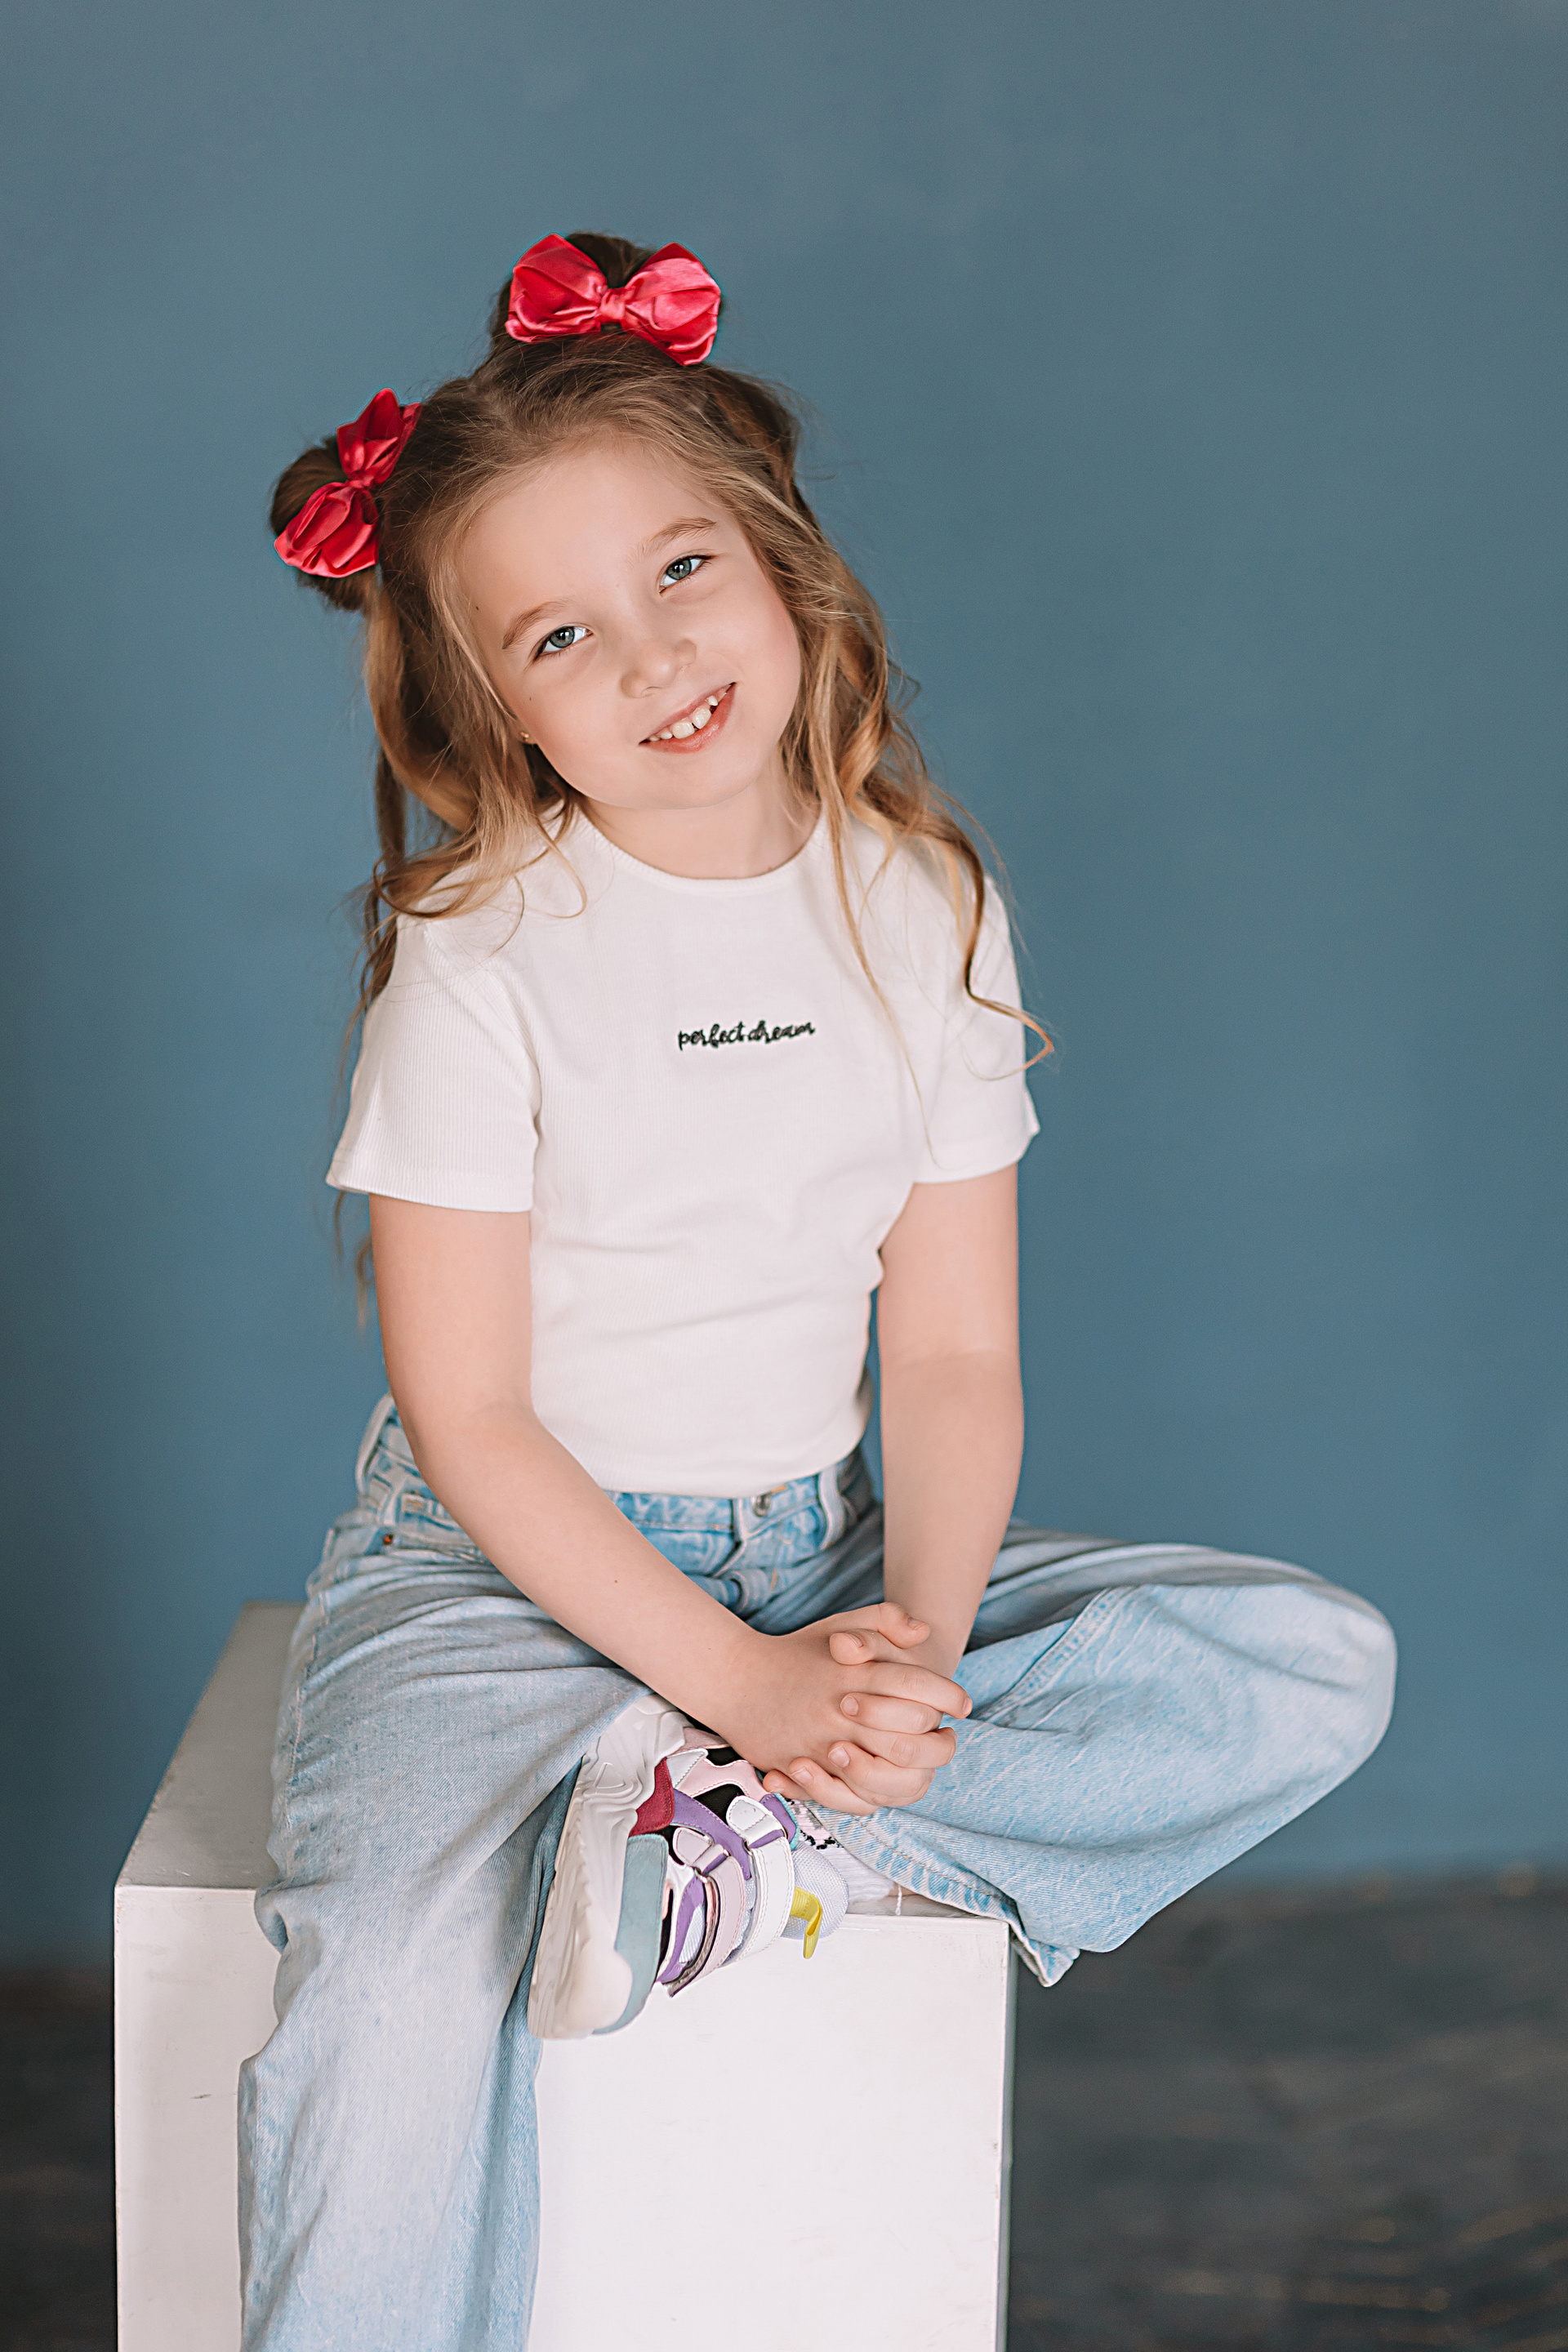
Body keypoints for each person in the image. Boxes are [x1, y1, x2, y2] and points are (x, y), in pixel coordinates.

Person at [241, 229, 1396, 2350]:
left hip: (822, 1553)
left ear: (776, 557)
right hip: (500, 1573)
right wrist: (747, 1684)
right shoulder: (482, 958)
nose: (658, 652)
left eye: (683, 568)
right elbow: (474, 1418)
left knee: (1304, 1666)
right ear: (497, 708)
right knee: (385, 1983)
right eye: (565, 634)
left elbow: (949, 1353)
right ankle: (714, 1780)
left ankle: (749, 1837)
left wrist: (908, 1656)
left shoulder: (920, 903)